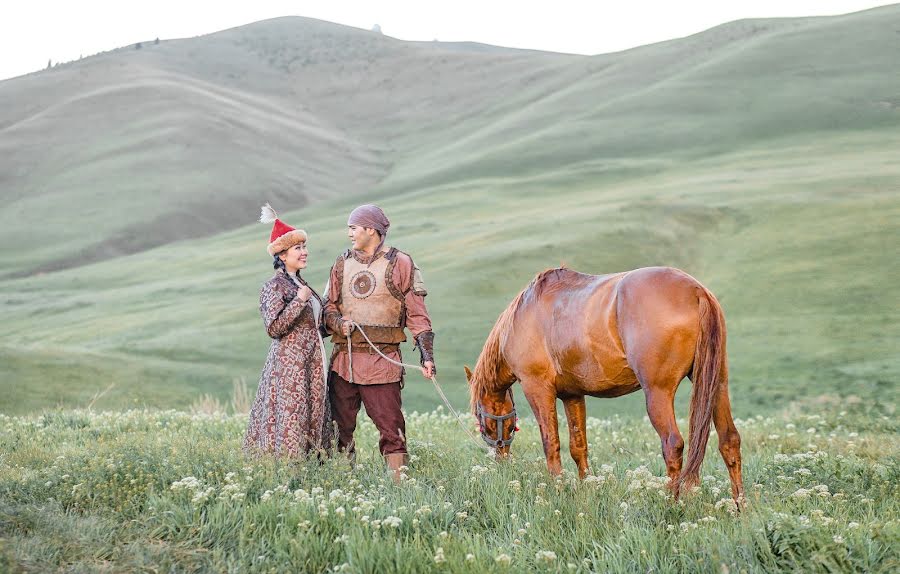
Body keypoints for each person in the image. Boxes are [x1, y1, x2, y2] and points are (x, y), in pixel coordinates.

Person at [323, 204, 435, 481]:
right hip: (343, 363)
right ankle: (343, 483)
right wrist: (338, 323)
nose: (349, 233)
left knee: (392, 429)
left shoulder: (402, 263)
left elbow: (417, 314)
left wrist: (427, 355)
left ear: (371, 230)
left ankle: (399, 486)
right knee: (339, 428)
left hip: (383, 364)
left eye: (354, 228)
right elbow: (328, 308)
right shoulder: (340, 263)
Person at [243, 204, 332, 458]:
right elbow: (274, 328)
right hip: (290, 366)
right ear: (282, 255)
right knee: (293, 414)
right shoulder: (274, 286)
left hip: (313, 362)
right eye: (298, 248)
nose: (304, 252)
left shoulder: (302, 284)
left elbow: (315, 326)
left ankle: (313, 468)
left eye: (304, 247)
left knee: (313, 412)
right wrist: (299, 301)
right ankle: (288, 470)